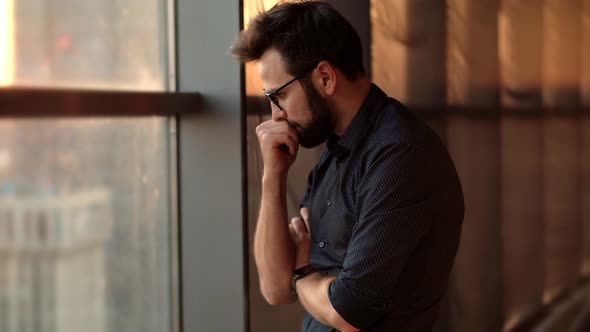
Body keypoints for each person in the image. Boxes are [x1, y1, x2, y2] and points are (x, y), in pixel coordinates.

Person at [231, 1, 464, 331]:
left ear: (325, 77)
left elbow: (347, 310)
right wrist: (274, 175)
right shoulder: (335, 152)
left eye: (279, 97)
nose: (275, 116)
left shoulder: (400, 154)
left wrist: (302, 273)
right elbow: (274, 288)